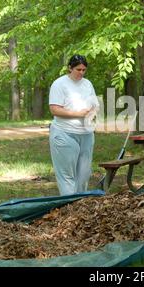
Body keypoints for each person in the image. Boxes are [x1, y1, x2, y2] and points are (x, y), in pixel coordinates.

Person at [49, 54, 99, 196]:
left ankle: (80, 206)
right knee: (67, 176)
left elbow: (95, 105)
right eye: (78, 69)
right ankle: (69, 208)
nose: (81, 73)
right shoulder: (59, 84)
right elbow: (54, 109)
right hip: (64, 133)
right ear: (70, 68)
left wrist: (93, 112)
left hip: (86, 134)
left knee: (84, 175)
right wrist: (79, 114)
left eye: (84, 70)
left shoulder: (87, 84)